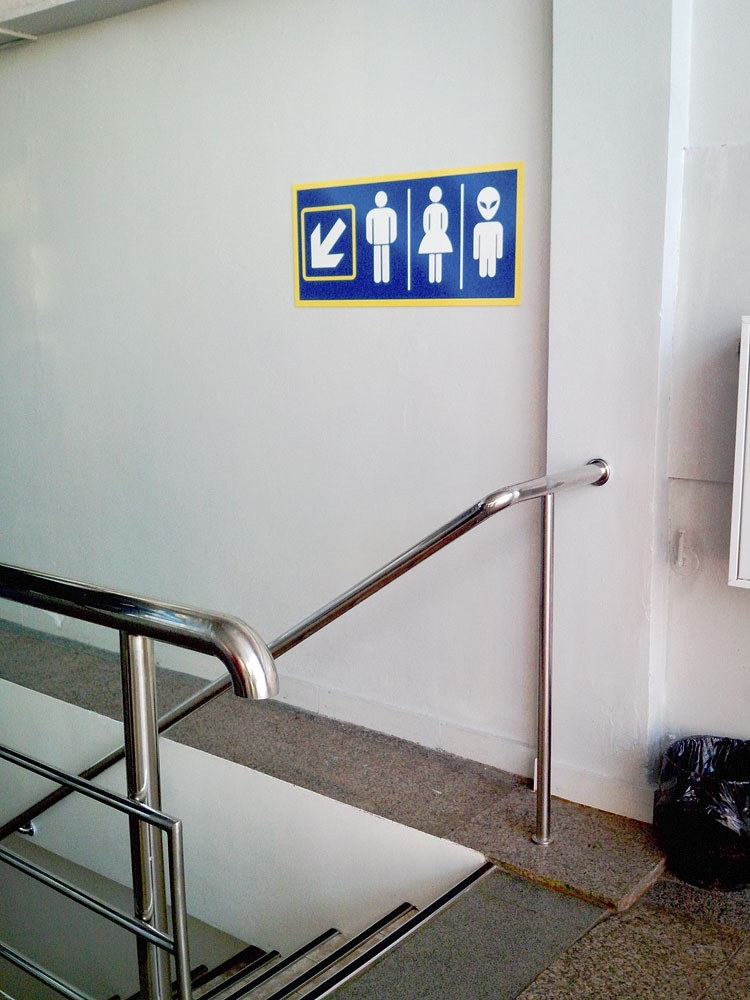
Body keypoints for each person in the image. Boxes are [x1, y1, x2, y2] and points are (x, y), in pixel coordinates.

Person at [418, 186, 452, 284]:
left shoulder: (440, 208)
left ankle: (437, 278)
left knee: (437, 256)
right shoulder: (431, 209)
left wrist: (437, 232)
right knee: (433, 256)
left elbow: (443, 223)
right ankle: (433, 278)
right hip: (434, 234)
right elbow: (427, 224)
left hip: (436, 234)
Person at [365, 191, 398, 284]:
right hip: (376, 240)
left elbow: (393, 226)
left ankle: (386, 278)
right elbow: (369, 226)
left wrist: (392, 238)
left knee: (385, 258)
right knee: (377, 258)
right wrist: (370, 239)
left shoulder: (390, 212)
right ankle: (377, 278)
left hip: (386, 240)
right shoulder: (372, 213)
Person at [472, 186, 503, 278]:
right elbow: (476, 240)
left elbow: (499, 239)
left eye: (492, 205)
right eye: (483, 205)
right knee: (482, 269)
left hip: (492, 251)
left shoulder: (497, 226)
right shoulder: (478, 227)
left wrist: (499, 254)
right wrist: (476, 254)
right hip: (482, 252)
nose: (488, 209)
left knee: (492, 269)